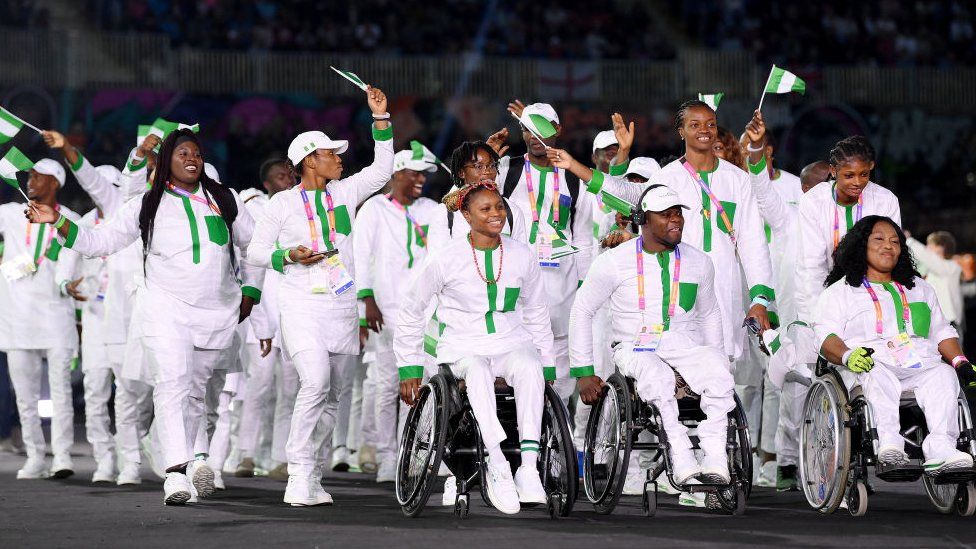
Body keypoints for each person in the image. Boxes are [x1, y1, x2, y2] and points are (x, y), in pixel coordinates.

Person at [27, 129, 264, 505]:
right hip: (164, 309)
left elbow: (257, 245)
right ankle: (175, 475)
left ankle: (181, 451)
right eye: (183, 152)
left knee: (194, 394)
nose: (192, 158)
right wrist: (57, 220)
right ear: (167, 159)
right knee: (172, 385)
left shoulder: (224, 198)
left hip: (216, 314)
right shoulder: (146, 203)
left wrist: (251, 291)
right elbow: (98, 243)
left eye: (197, 153)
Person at [246, 84, 393, 506]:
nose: (340, 158)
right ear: (310, 159)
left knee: (333, 395)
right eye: (332, 153)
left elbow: (382, 171)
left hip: (341, 305)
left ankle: (313, 471)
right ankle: (296, 473)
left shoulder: (344, 193)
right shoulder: (281, 205)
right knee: (315, 382)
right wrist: (286, 254)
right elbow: (255, 251)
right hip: (301, 305)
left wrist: (380, 118)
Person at [549, 102, 775, 365]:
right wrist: (575, 166)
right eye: (695, 125)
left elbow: (753, 243)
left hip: (725, 291)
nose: (705, 130)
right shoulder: (669, 177)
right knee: (673, 369)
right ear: (681, 132)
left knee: (719, 372)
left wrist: (759, 299)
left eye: (711, 124)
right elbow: (626, 195)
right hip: (678, 284)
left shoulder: (738, 180)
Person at [396, 182, 553, 515]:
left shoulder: (522, 254)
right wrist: (409, 367)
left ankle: (527, 467)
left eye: (499, 207)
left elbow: (538, 311)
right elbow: (412, 308)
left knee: (530, 366)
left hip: (511, 341)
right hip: (462, 344)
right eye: (486, 209)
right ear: (466, 215)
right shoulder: (447, 257)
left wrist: (548, 363)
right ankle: (497, 462)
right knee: (478, 371)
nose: (496, 214)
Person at [569, 184, 736, 484]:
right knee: (656, 376)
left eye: (678, 214)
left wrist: (718, 356)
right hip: (635, 346)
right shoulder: (613, 262)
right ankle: (681, 454)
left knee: (719, 371)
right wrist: (583, 371)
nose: (675, 220)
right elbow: (582, 310)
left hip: (683, 344)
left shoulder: (699, 262)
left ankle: (714, 454)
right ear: (643, 219)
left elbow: (710, 314)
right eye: (665, 215)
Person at [815, 216, 975, 474]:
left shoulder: (920, 288)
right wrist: (847, 356)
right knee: (877, 373)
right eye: (879, 239)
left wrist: (960, 362)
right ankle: (888, 444)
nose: (888, 246)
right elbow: (825, 336)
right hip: (868, 363)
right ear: (861, 245)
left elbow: (941, 330)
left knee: (944, 375)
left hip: (919, 365)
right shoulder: (841, 292)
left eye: (894, 241)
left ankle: (941, 449)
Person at [44, 128, 152, 485]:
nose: (103, 194)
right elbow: (65, 266)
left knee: (131, 392)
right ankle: (106, 460)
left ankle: (131, 460)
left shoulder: (137, 217)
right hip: (94, 318)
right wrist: (65, 284)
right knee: (95, 391)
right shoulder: (85, 224)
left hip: (130, 316)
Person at [486, 100, 598, 400]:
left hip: (562, 286)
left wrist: (584, 285)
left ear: (558, 130)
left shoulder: (575, 177)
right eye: (527, 130)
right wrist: (486, 163)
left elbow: (584, 238)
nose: (535, 137)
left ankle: (553, 440)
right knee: (516, 363)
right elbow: (467, 201)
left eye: (542, 130)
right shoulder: (507, 169)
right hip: (516, 284)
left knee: (560, 372)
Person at [353, 149, 438, 483]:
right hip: (385, 311)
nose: (421, 179)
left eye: (424, 175)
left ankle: (411, 452)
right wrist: (366, 299)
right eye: (415, 173)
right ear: (397, 172)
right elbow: (361, 254)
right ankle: (387, 456)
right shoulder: (374, 208)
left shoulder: (432, 210)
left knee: (418, 384)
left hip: (423, 312)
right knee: (388, 384)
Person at [0, 159, 80, 480]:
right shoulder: (9, 213)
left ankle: (61, 456)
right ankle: (35, 456)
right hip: (16, 318)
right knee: (24, 394)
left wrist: (66, 283)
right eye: (29, 175)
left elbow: (72, 260)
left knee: (60, 390)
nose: (30, 180)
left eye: (38, 176)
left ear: (56, 182)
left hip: (56, 315)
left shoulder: (70, 219)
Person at [234, 161, 298, 482]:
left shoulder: (300, 209)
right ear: (266, 183)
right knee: (257, 388)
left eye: (289, 175)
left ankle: (279, 458)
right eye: (280, 176)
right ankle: (246, 453)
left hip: (290, 310)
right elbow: (251, 263)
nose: (287, 180)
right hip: (262, 312)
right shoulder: (253, 208)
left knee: (289, 391)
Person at [426, 141, 526, 248]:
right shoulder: (444, 213)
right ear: (461, 173)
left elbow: (521, 258)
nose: (487, 171)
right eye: (478, 166)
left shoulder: (512, 211)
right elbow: (437, 261)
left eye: (492, 165)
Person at [906, 231, 964, 343]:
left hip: (949, 325)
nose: (927, 248)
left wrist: (909, 240)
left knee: (954, 360)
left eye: (929, 245)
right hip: (933, 323)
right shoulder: (932, 270)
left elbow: (927, 257)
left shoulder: (952, 267)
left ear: (940, 248)